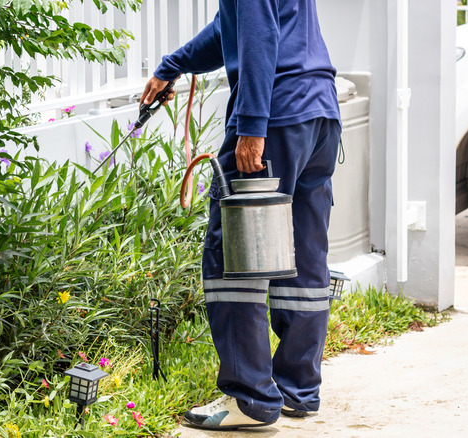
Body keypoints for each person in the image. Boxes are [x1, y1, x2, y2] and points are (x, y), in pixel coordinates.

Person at [140, 0, 341, 430]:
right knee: (304, 256)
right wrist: (173, 66)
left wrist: (251, 127)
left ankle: (250, 398)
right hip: (319, 115)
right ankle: (297, 389)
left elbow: (258, 37)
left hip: (275, 117)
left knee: (233, 256)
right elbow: (229, 29)